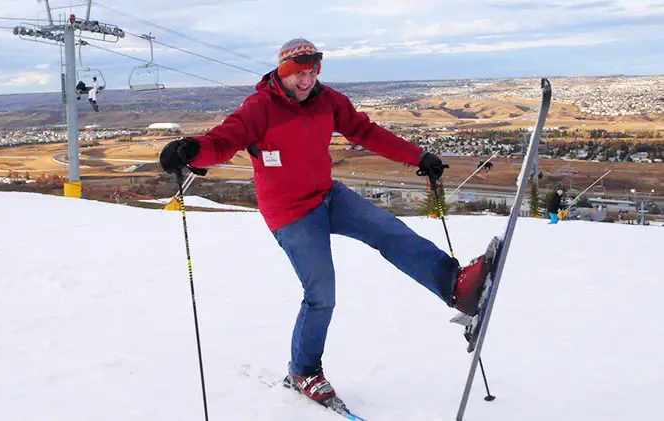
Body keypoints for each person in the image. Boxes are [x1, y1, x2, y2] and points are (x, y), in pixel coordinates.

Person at [158, 38, 492, 404]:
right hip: (290, 213)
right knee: (321, 294)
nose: (306, 80)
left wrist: (418, 156)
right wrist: (191, 149)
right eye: (299, 73)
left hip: (328, 194)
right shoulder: (260, 108)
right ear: (283, 72)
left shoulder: (327, 100)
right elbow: (224, 140)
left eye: (312, 71)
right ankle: (303, 371)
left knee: (388, 230)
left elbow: (364, 131)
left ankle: (456, 288)